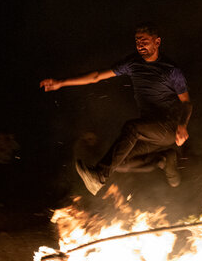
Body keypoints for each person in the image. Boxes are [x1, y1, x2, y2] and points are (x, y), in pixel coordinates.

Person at [40, 22, 191, 195]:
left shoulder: (171, 70)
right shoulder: (132, 63)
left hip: (168, 128)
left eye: (144, 41)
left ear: (157, 42)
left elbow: (186, 102)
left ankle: (99, 176)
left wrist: (182, 125)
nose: (140, 45)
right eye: (137, 41)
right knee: (121, 161)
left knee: (131, 128)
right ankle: (163, 159)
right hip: (149, 130)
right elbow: (96, 76)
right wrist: (61, 83)